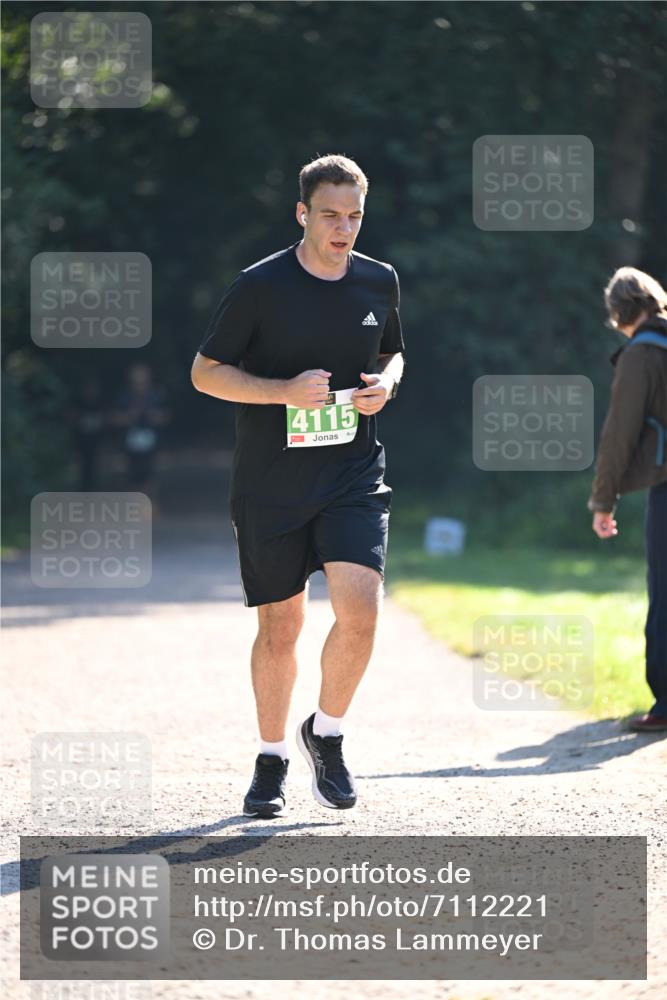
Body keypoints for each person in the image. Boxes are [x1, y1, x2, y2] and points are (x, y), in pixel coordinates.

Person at [191, 154, 405, 815]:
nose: (343, 229)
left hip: (351, 471)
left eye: (354, 216)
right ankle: (269, 758)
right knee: (280, 628)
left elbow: (391, 352)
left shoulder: (378, 280)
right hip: (270, 482)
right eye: (330, 215)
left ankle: (328, 733)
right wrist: (282, 393)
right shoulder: (259, 286)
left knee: (360, 609)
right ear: (302, 214)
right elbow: (205, 372)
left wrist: (386, 384)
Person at [588, 266, 667, 733]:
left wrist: (603, 500)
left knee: (664, 592)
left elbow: (620, 433)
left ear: (619, 312)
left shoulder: (642, 354)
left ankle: (664, 704)